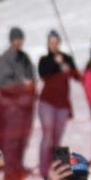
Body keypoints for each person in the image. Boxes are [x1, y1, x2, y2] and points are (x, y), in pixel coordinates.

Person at [0, 28, 37, 180]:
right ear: (11, 40)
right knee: (12, 139)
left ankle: (18, 166)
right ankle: (9, 170)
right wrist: (21, 86)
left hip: (27, 104)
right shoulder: (6, 58)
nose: (18, 42)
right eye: (16, 39)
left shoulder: (24, 57)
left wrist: (32, 88)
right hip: (13, 106)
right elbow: (4, 82)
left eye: (20, 38)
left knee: (24, 138)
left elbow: (32, 75)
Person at [36, 31, 81, 165]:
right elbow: (44, 75)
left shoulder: (66, 57)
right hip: (47, 102)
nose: (54, 46)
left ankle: (59, 166)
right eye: (51, 43)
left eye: (56, 43)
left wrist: (70, 68)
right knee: (47, 135)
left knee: (58, 136)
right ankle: (44, 167)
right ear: (48, 44)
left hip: (63, 104)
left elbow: (77, 77)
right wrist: (56, 64)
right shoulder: (44, 60)